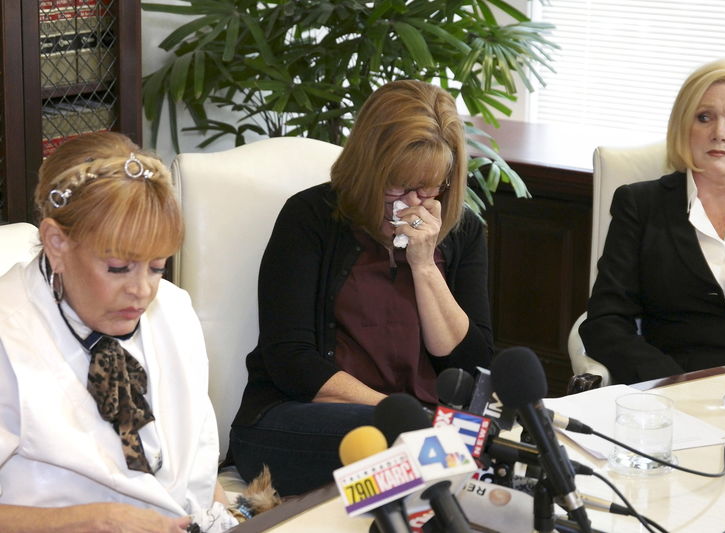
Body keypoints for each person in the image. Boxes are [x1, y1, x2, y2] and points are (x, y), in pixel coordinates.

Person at [228, 80, 494, 496]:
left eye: (426, 189)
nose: (408, 205)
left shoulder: (463, 233)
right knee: (409, 449)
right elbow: (291, 360)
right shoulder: (309, 218)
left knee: (498, 448)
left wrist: (424, 266)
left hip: (416, 423)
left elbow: (472, 365)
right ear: (368, 169)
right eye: (396, 186)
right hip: (293, 420)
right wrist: (402, 414)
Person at [0, 132, 239, 532]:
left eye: (158, 266)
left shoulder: (174, 311)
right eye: (118, 268)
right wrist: (88, 521)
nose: (142, 291)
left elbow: (196, 467)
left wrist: (232, 519)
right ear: (56, 242)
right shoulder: (10, 332)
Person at [580, 59, 725, 384]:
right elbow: (605, 321)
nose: (719, 133)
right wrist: (669, 384)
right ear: (684, 124)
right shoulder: (640, 205)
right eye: (704, 117)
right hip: (674, 393)